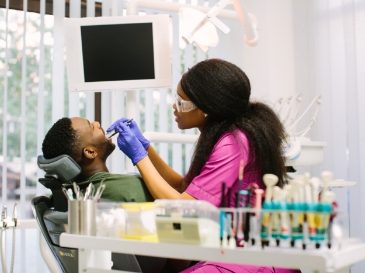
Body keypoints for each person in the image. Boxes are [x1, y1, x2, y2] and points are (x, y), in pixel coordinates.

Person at [107, 58, 301, 273]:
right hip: (231, 249)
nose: (175, 106)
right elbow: (183, 187)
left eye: (181, 102)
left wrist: (139, 157)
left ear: (206, 109)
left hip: (253, 255)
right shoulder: (219, 136)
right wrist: (145, 147)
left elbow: (184, 207)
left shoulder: (234, 143)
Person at [42, 117, 167, 273]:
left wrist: (144, 147)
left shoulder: (69, 196)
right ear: (90, 151)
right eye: (91, 126)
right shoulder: (131, 189)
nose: (97, 123)